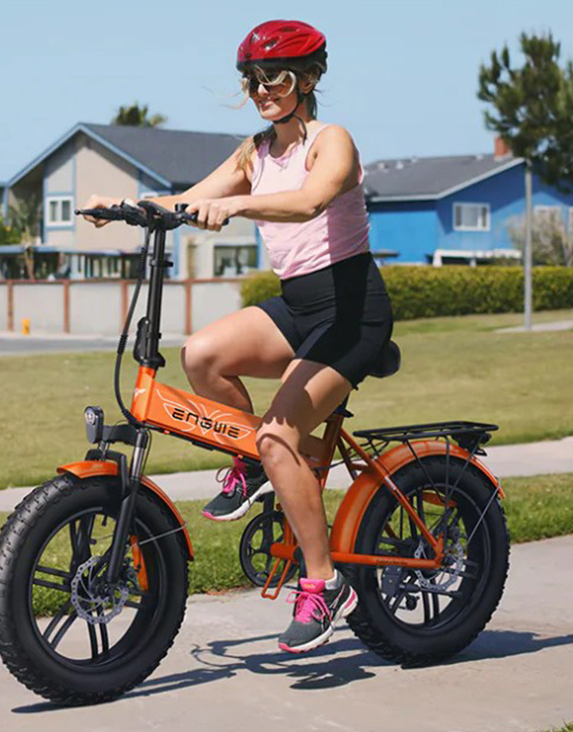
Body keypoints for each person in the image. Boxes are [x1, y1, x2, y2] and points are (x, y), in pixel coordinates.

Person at [81, 19, 394, 653]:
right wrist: (124, 206)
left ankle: (324, 581)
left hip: (353, 312)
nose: (261, 90)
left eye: (273, 78)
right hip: (300, 307)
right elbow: (187, 200)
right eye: (250, 80)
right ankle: (251, 465)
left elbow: (311, 200)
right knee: (202, 354)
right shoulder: (254, 151)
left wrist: (242, 204)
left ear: (308, 80)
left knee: (281, 435)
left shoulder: (332, 141)